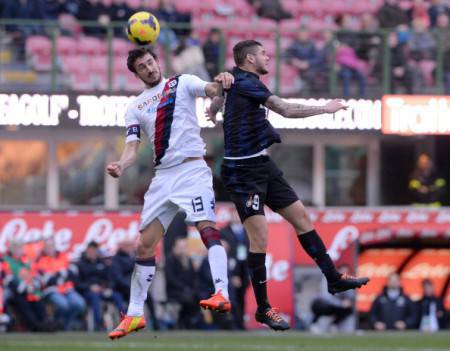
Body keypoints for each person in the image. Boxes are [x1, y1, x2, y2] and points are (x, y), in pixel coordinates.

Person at [206, 40, 369, 331]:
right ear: (249, 58)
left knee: (302, 218)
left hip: (262, 165)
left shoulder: (236, 80)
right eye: (263, 54)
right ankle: (264, 309)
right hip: (242, 172)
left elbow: (220, 94)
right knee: (260, 239)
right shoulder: (245, 83)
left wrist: (214, 106)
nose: (268, 56)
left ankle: (332, 278)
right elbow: (285, 110)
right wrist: (325, 109)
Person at [107, 47, 234, 339]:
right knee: (143, 246)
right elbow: (131, 148)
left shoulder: (182, 83)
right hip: (163, 177)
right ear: (136, 73)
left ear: (157, 61)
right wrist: (122, 166)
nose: (149, 68)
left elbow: (211, 88)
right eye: (142, 66)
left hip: (192, 169)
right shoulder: (135, 106)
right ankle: (135, 314)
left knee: (207, 228)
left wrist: (221, 82)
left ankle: (221, 293)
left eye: (150, 62)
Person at [34, 238, 86, 330]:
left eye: (51, 246)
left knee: (79, 304)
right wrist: (62, 274)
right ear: (44, 248)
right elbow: (46, 280)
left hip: (66, 288)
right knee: (63, 305)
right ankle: (58, 323)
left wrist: (58, 275)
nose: (50, 249)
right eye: (47, 246)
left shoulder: (62, 256)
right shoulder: (41, 260)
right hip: (51, 290)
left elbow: (73, 271)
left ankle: (66, 323)